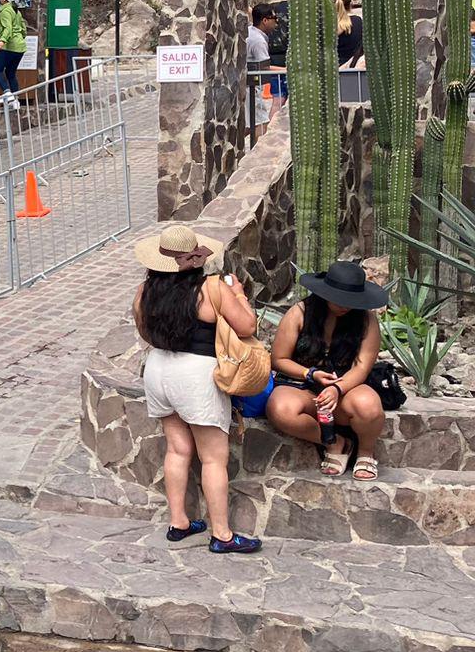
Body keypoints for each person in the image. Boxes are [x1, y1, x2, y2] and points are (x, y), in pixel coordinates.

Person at [132, 225, 262, 553]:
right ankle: (222, 535)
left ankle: (179, 522)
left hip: (159, 369)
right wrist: (240, 296)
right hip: (197, 374)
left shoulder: (144, 292)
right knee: (213, 458)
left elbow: (145, 333)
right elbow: (247, 326)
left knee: (177, 449)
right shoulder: (213, 289)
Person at [267, 260, 388, 482]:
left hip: (347, 387)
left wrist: (337, 388)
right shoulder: (300, 312)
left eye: (350, 300)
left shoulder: (366, 320)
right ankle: (334, 442)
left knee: (368, 406)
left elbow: (362, 367)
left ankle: (366, 452)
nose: (344, 305)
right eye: (338, 299)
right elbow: (279, 359)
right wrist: (309, 373)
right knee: (281, 409)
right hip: (302, 387)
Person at [0, 0, 26, 109]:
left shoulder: (6, 11)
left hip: (9, 46)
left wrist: (2, 41)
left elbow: (8, 28)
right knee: (11, 73)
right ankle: (15, 101)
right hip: (20, 47)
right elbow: (23, 28)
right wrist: (21, 37)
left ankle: (7, 92)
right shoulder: (16, 10)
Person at [247, 4, 278, 135]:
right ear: (265, 20)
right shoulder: (259, 41)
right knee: (260, 125)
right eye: (274, 18)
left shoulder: (250, 31)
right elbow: (264, 67)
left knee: (250, 125)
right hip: (252, 88)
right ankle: (257, 155)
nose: (276, 22)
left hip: (247, 86)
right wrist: (287, 70)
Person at [335, 0, 365, 67]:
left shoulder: (333, 25)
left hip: (336, 67)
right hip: (355, 65)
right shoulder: (358, 21)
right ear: (350, 4)